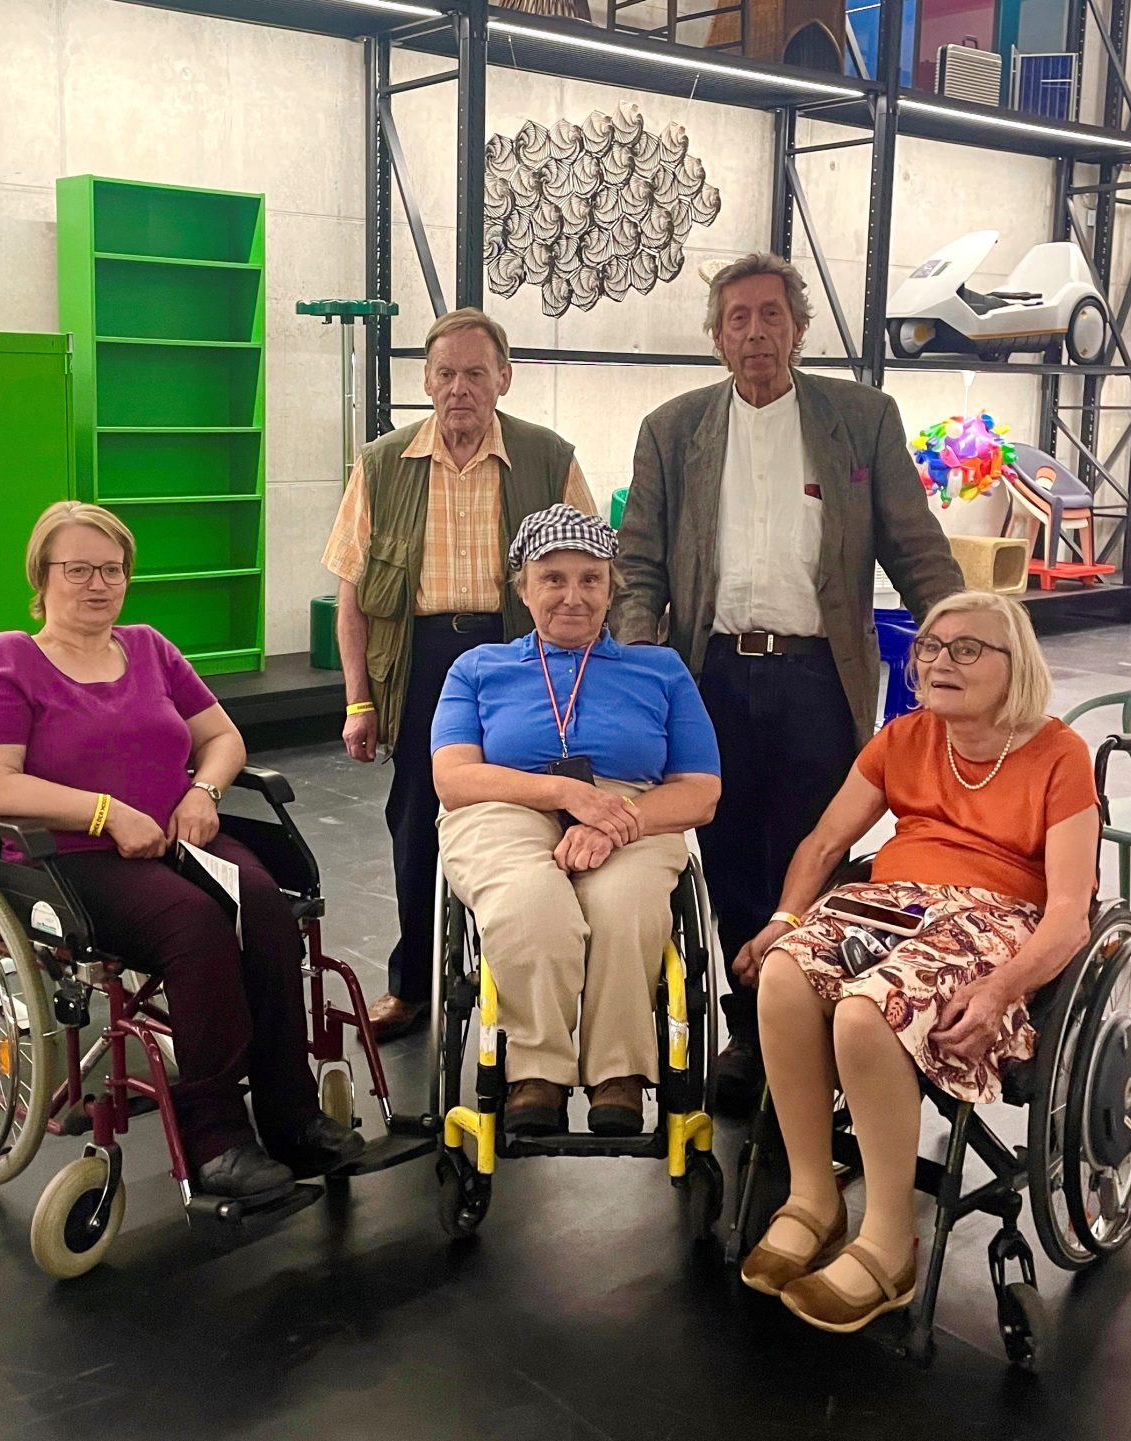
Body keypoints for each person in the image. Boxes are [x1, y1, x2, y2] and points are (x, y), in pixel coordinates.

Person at [612, 251, 964, 1116]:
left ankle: (812, 1027)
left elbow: (914, 544)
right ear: (718, 337)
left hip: (817, 675)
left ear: (799, 329)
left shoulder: (862, 417)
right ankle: (750, 1031)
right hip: (712, 674)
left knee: (816, 850)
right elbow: (639, 568)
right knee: (729, 855)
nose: (756, 331)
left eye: (772, 315)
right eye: (738, 318)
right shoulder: (672, 429)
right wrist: (635, 672)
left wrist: (967, 639)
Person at [0, 501, 365, 1200]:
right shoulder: (9, 660)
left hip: (178, 833)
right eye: (79, 569)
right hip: (74, 857)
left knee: (265, 907)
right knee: (196, 927)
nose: (98, 583)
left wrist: (203, 792)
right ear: (42, 575)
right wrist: (105, 812)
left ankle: (291, 1116)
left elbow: (223, 737)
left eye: (112, 569)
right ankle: (215, 1138)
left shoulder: (148, 646)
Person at [731, 591, 1099, 1333]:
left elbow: (1069, 914)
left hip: (995, 918)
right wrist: (783, 920)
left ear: (1015, 664)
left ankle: (891, 1240)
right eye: (930, 646)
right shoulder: (903, 737)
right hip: (893, 900)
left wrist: (1001, 990)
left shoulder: (1059, 754)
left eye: (966, 649)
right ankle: (813, 1196)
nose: (938, 661)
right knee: (784, 974)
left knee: (871, 1010)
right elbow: (824, 846)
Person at [325, 309, 596, 1042]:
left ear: (504, 379)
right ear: (426, 380)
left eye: (476, 373)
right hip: (421, 661)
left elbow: (594, 578)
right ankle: (412, 983)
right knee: (415, 822)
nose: (459, 389)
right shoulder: (382, 464)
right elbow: (351, 599)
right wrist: (358, 699)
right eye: (445, 373)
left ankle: (531, 979)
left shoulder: (548, 457)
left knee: (524, 815)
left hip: (517, 656)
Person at [430, 507, 721, 1136]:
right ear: (523, 588)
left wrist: (616, 821)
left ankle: (618, 1071)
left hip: (632, 810)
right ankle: (536, 1070)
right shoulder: (477, 667)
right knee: (533, 900)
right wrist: (566, 792)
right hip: (503, 806)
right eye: (553, 578)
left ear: (613, 587)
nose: (573, 596)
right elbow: (453, 780)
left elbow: (700, 792)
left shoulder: (661, 669)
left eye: (591, 579)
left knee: (624, 903)